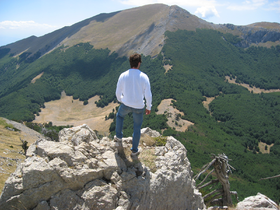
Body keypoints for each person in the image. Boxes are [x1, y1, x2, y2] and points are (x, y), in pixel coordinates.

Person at [115, 53, 152, 156]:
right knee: (137, 127)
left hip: (126, 104)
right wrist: (148, 107)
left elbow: (118, 92)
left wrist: (121, 100)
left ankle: (118, 137)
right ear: (139, 63)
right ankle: (134, 151)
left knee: (120, 116)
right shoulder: (144, 77)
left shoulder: (123, 75)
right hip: (139, 106)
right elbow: (148, 95)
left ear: (130, 63)